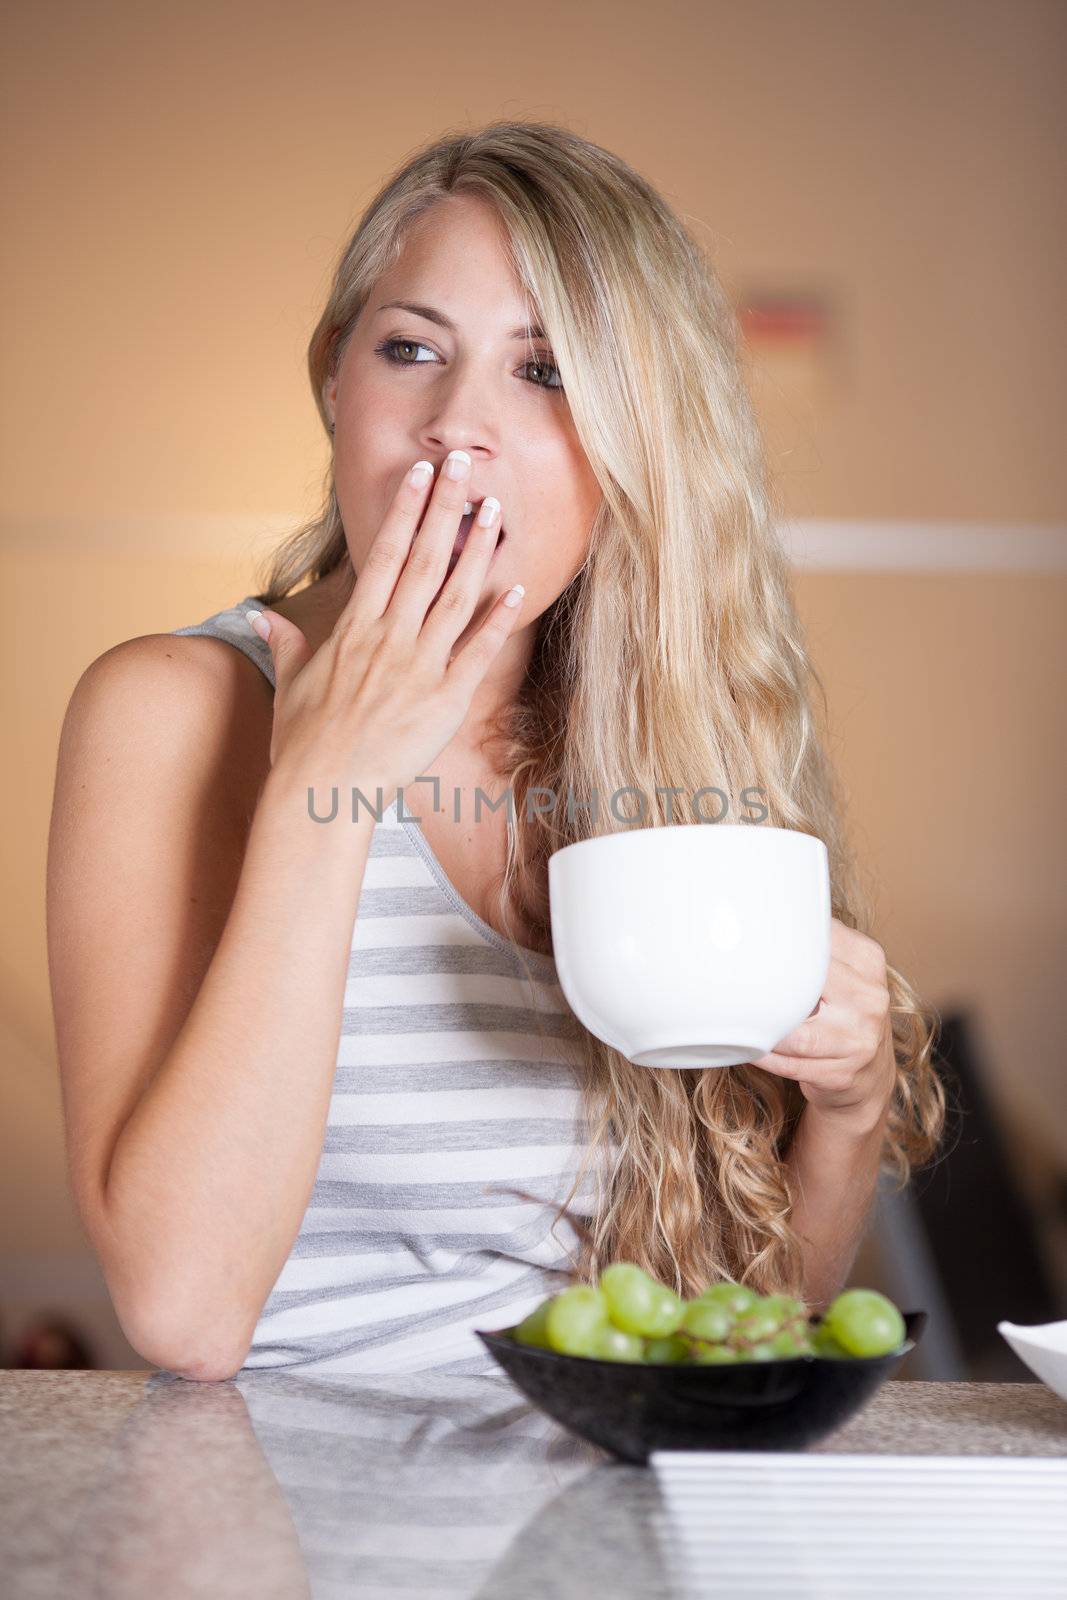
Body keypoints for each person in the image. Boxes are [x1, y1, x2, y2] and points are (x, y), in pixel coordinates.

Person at [45, 121, 945, 1384]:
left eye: (547, 372)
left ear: (638, 441)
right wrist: (322, 784)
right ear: (334, 386)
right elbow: (185, 1313)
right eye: (409, 350)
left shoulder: (662, 748)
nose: (454, 428)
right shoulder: (172, 713)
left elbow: (728, 1339)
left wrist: (844, 1119)